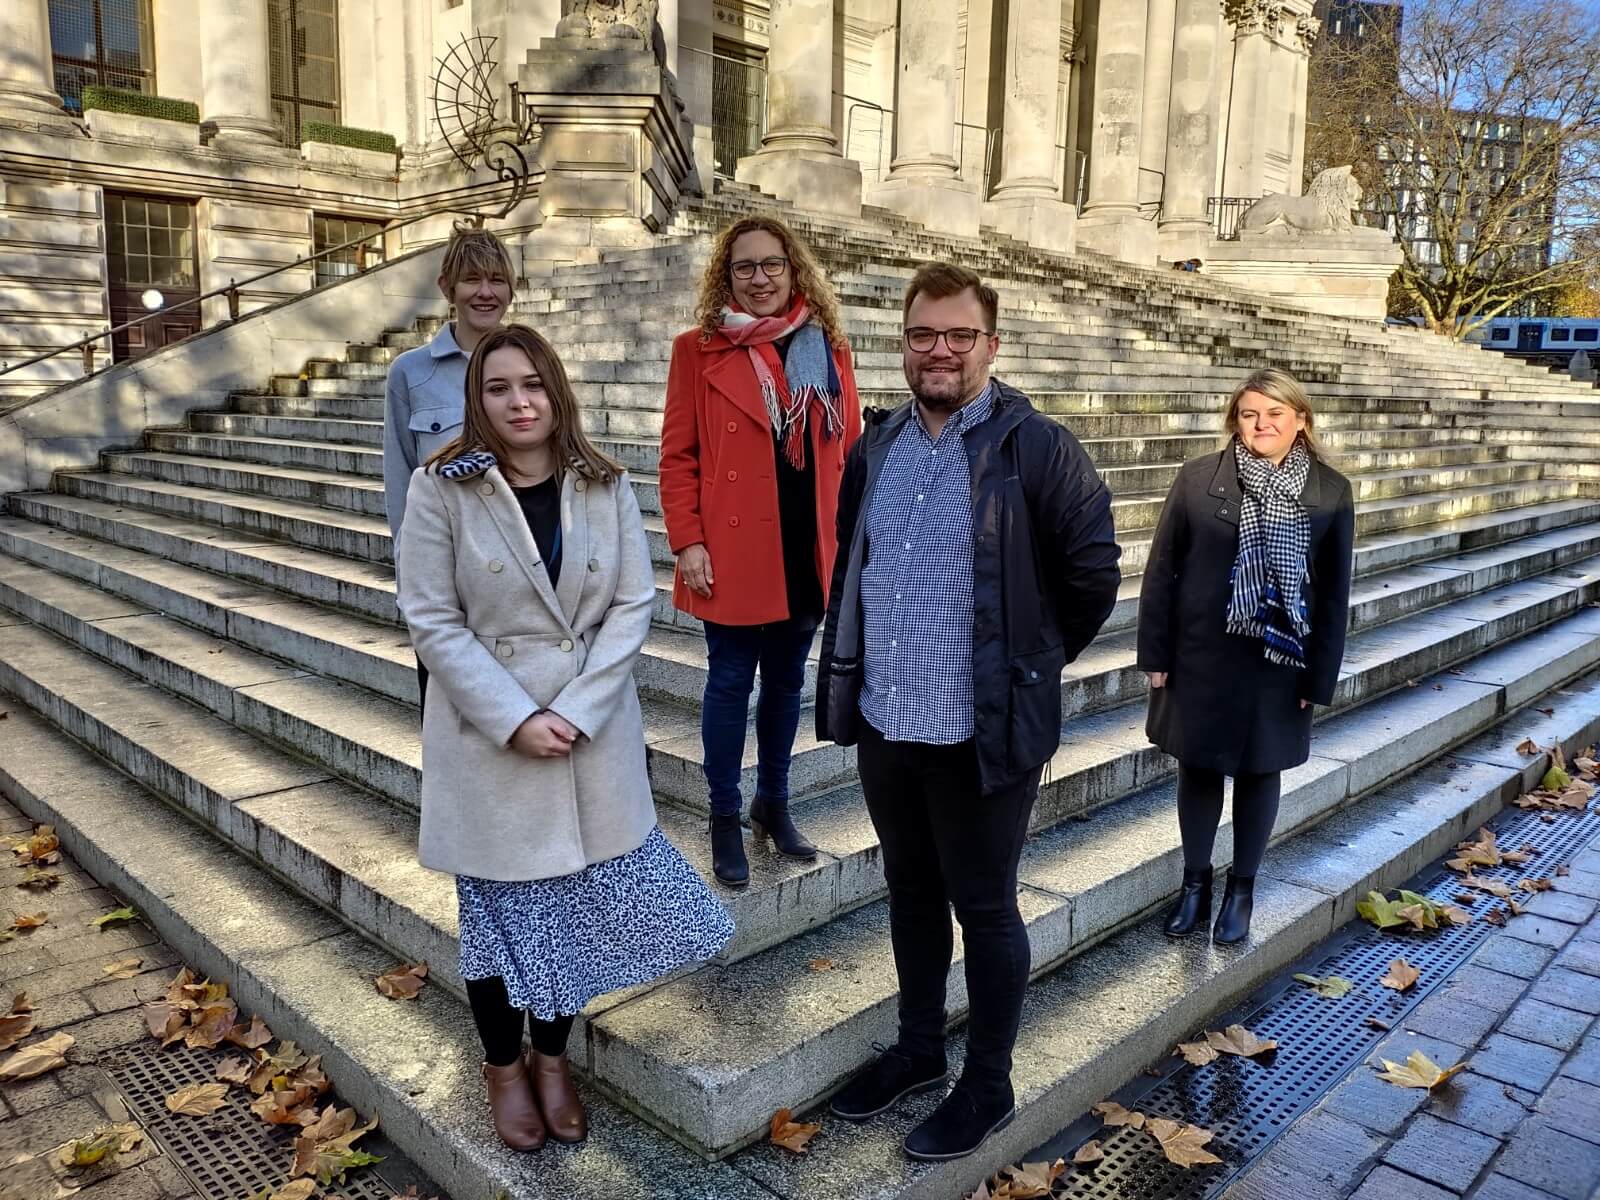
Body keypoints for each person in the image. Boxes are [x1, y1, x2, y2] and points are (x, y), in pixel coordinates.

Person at [397, 324, 733, 1153]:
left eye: (532, 385)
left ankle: (553, 1061)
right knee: (497, 922)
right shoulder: (442, 487)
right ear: (477, 399)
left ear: (557, 393)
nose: (518, 402)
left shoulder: (602, 482)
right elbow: (432, 618)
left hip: (589, 737)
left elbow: (630, 605)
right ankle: (503, 1067)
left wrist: (576, 709)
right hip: (490, 741)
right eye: (498, 387)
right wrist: (513, 716)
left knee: (573, 919)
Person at [816, 262, 1121, 1161]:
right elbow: (852, 563)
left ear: (990, 344)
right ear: (903, 344)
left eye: (958, 335)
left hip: (979, 730)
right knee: (910, 893)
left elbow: (1091, 573)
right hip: (886, 720)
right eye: (922, 335)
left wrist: (1027, 665)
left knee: (984, 909)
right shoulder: (879, 446)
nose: (939, 350)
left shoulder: (1037, 448)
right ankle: (918, 1050)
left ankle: (987, 1082)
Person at [659, 216, 862, 887]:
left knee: (785, 684)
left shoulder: (828, 347)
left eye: (772, 264)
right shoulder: (699, 349)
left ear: (793, 268)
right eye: (744, 266)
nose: (760, 278)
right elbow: (678, 456)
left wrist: (854, 540)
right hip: (737, 549)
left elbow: (853, 451)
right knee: (727, 683)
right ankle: (722, 815)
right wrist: (688, 540)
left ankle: (772, 803)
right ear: (727, 274)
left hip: (807, 548)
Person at [1137, 368, 1355, 945]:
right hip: (1201, 653)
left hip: (1281, 659)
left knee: (1262, 771)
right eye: (1250, 414)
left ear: (1300, 421)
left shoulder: (1330, 491)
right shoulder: (1197, 479)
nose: (1261, 425)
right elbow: (1162, 571)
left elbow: (1333, 593)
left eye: (1275, 414)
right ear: (1235, 418)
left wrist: (1321, 674)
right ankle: (1195, 886)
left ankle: (1242, 891)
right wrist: (1155, 653)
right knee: (1199, 768)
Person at [385, 225, 515, 707]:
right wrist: (412, 582)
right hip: (448, 577)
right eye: (472, 280)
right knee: (449, 719)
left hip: (521, 577)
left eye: (497, 280)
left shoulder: (533, 363)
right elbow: (401, 480)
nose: (486, 292)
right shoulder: (410, 372)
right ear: (448, 289)